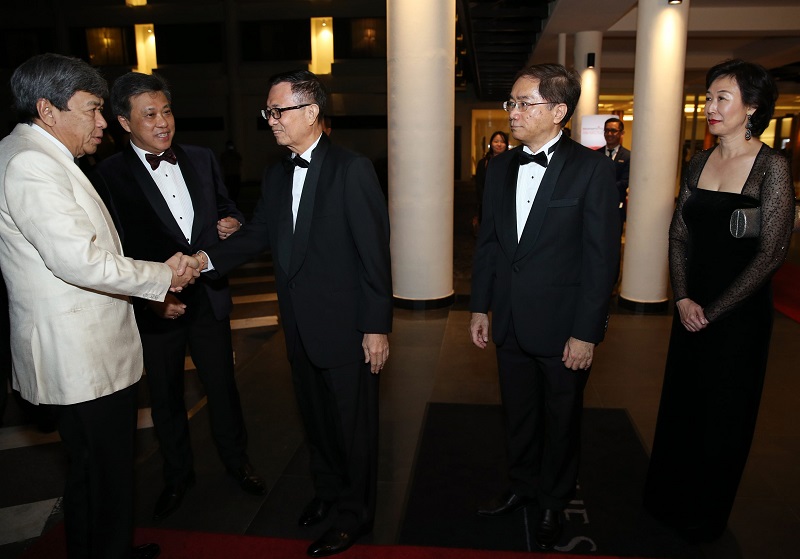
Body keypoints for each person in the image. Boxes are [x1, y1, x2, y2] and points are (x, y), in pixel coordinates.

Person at [0, 53, 201, 559]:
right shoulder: (31, 164)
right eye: (91, 109)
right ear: (48, 110)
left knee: (93, 471)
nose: (101, 122)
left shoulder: (29, 153)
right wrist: (161, 275)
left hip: (82, 353)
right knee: (106, 472)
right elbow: (80, 262)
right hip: (81, 356)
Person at [195, 69, 392, 557]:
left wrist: (376, 327)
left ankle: (355, 516)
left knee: (353, 429)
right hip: (300, 327)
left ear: (311, 113)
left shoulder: (352, 169)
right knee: (317, 422)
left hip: (347, 328)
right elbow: (261, 232)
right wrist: (203, 261)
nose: (271, 120)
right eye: (268, 112)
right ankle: (328, 494)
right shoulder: (278, 171)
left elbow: (374, 254)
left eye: (277, 111)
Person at [90, 72, 265, 523]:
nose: (163, 122)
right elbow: (114, 246)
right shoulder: (107, 174)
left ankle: (237, 462)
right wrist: (152, 292)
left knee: (222, 387)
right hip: (156, 306)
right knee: (165, 397)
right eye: (150, 114)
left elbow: (226, 208)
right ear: (124, 123)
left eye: (166, 111)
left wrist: (232, 222)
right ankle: (177, 476)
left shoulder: (203, 158)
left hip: (208, 295)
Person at [643, 59, 794, 543]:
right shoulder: (698, 161)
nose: (709, 106)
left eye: (721, 98)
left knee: (723, 414)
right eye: (707, 97)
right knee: (683, 403)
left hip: (739, 315)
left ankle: (703, 513)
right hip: (693, 308)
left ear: (751, 107)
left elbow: (771, 254)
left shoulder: (772, 169)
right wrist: (684, 298)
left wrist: (715, 310)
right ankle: (666, 497)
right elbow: (679, 234)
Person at [469, 63, 619, 551]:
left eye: (522, 103)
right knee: (518, 414)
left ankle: (554, 501)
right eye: (510, 102)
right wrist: (478, 307)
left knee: (561, 420)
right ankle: (521, 486)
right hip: (509, 322)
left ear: (557, 111)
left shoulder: (591, 169)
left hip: (562, 329)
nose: (511, 111)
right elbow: (489, 244)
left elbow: (601, 259)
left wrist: (586, 332)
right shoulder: (499, 166)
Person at [597, 117, 630, 224]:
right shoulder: (596, 155)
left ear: (622, 133)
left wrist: (604, 187)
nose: (609, 134)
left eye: (613, 131)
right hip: (596, 205)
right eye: (606, 130)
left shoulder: (628, 156)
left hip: (616, 206)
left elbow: (625, 181)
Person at [474, 131, 509, 230]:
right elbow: (479, 185)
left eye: (502, 142)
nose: (499, 144)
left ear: (506, 144)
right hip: (486, 205)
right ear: (491, 143)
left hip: (505, 205)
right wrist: (484, 202)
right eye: (496, 141)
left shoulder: (511, 162)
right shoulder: (483, 163)